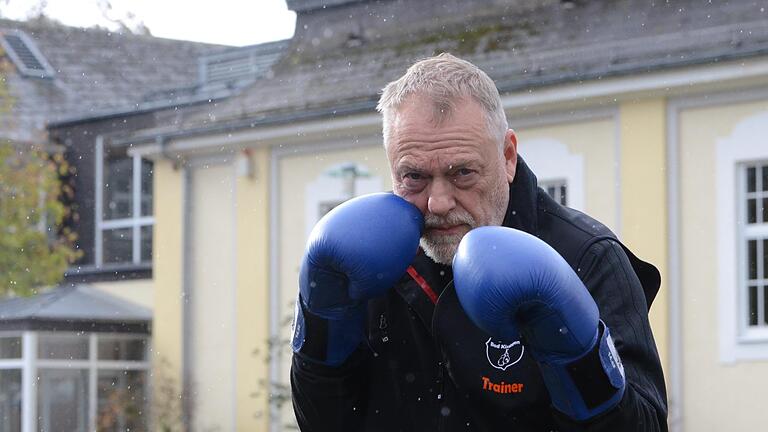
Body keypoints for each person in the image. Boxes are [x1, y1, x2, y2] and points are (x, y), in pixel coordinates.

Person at [291, 53, 668, 431]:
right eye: (414, 176)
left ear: (507, 156)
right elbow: (324, 422)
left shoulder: (587, 257)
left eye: (463, 173)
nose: (438, 202)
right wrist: (319, 325)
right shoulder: (368, 259)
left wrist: (577, 360)